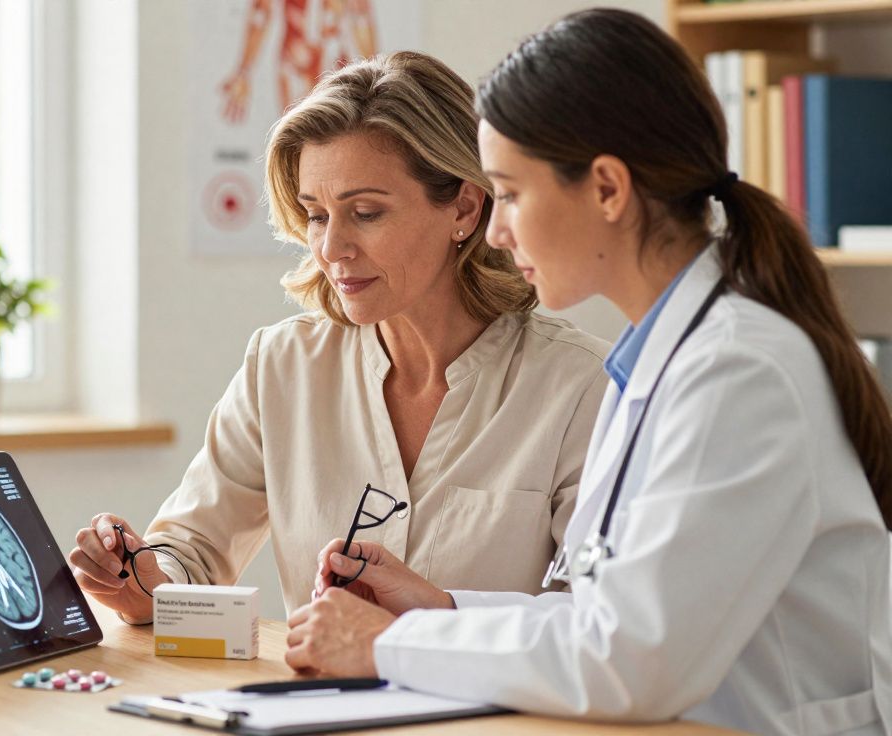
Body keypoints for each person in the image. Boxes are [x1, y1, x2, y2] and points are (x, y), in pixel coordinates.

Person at [285, 10, 892, 735]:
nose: (497, 230)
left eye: (509, 193)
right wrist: (441, 609)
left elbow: (630, 662)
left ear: (607, 189)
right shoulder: (654, 361)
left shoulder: (738, 370)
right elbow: (602, 617)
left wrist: (384, 645)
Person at [68, 51, 610, 625]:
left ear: (465, 209)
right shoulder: (280, 366)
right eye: (317, 215)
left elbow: (595, 622)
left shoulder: (580, 387)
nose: (331, 249)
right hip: (314, 710)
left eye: (367, 213)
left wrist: (440, 619)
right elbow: (193, 549)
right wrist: (149, 580)